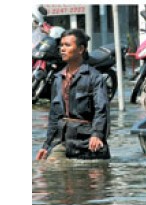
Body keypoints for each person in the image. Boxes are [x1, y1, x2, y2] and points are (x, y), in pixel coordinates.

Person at [36, 29, 110, 160]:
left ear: (81, 49)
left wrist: (97, 134)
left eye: (67, 45)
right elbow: (54, 115)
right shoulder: (58, 78)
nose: (62, 49)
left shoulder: (95, 77)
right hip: (63, 142)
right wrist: (46, 146)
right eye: (62, 45)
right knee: (45, 170)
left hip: (88, 142)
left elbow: (102, 109)